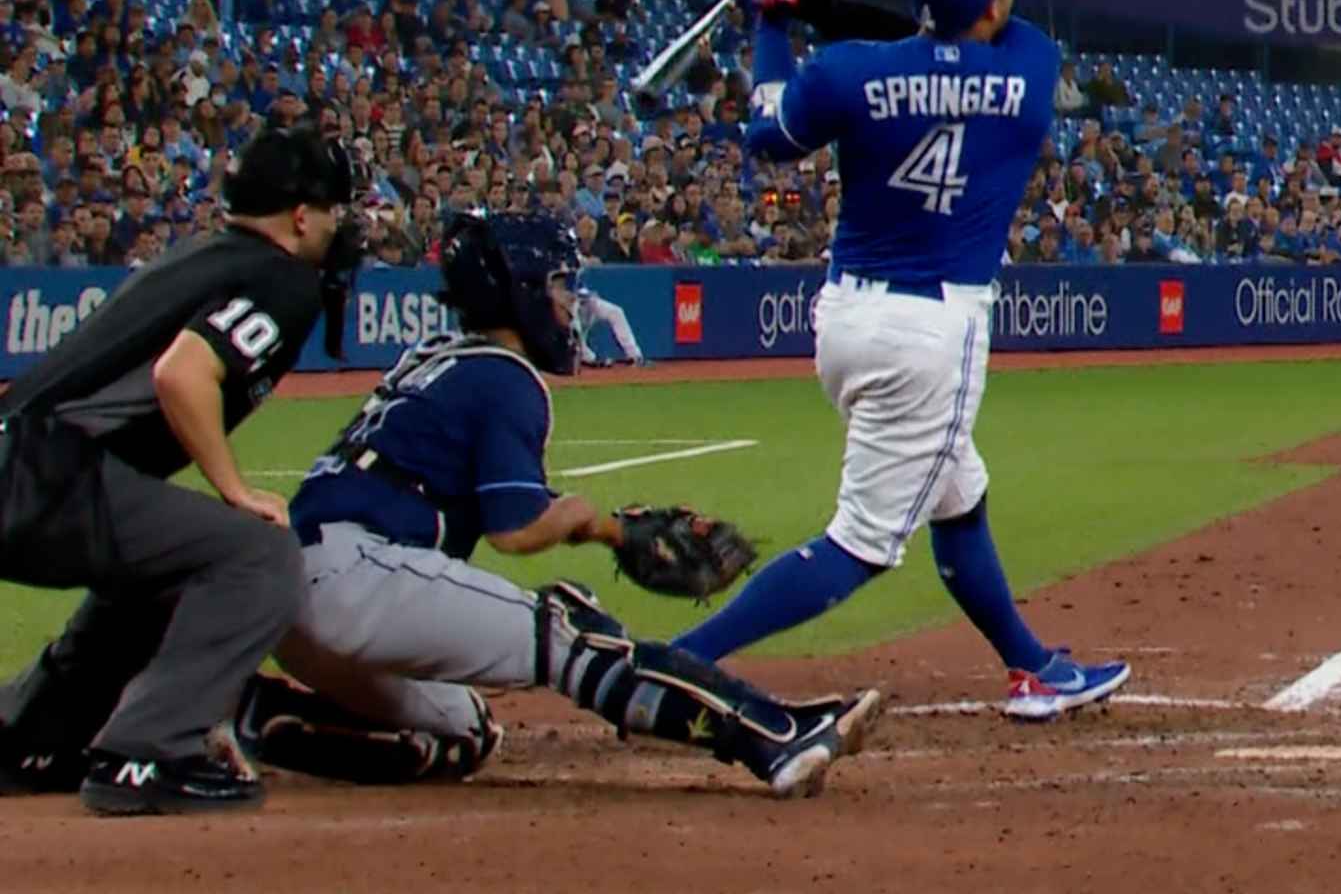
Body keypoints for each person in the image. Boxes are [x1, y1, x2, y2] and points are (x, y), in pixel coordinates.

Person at [230, 212, 880, 798]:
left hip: (299, 598)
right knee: (570, 628)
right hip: (358, 575)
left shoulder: (435, 357)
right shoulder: (504, 374)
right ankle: (772, 733)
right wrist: (604, 526)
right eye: (560, 285)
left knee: (463, 732)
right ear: (516, 291)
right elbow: (518, 529)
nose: (571, 303)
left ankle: (258, 716)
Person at [681, 0, 1131, 721]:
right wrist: (803, 2)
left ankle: (1032, 668)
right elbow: (945, 48)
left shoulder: (848, 73)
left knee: (960, 492)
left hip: (848, 318)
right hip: (933, 333)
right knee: (860, 544)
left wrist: (777, 20)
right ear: (993, 1)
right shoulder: (1030, 68)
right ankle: (675, 663)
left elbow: (770, 132)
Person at [0, 129, 363, 814]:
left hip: (26, 457)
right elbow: (183, 373)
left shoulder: (202, 255)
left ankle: (30, 732)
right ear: (300, 214)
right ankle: (150, 751)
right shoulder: (282, 277)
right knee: (256, 554)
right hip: (45, 475)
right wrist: (233, 488)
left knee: (168, 560)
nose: (341, 228)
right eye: (336, 211)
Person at [573, 282, 647, 367]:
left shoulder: (592, 302)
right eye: (581, 297)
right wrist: (592, 359)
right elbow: (577, 335)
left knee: (616, 312)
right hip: (570, 324)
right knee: (576, 332)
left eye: (585, 296)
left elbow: (613, 311)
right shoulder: (570, 309)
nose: (584, 299)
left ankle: (635, 356)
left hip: (585, 316)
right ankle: (589, 359)